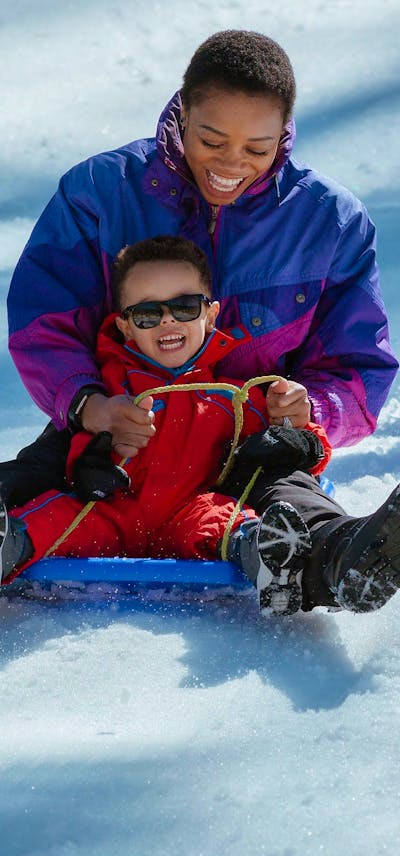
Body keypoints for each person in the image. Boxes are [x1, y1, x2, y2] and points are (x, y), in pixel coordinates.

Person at [1, 30, 399, 615]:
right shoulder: (100, 192)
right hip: (115, 427)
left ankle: (336, 561)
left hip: (245, 442)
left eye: (257, 149)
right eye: (211, 140)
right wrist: (88, 405)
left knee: (289, 495)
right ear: (181, 112)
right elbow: (46, 321)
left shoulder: (329, 223)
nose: (231, 165)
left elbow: (358, 363)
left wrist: (311, 409)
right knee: (39, 478)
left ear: (285, 134)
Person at [0, 236, 331, 616]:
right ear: (125, 326)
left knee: (230, 522)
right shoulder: (107, 394)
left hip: (190, 510)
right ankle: (9, 545)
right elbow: (68, 450)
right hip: (113, 512)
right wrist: (94, 461)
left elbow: (296, 452)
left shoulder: (236, 398)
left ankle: (270, 560)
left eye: (185, 307)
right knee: (54, 513)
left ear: (210, 315)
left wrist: (301, 429)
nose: (168, 320)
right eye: (147, 314)